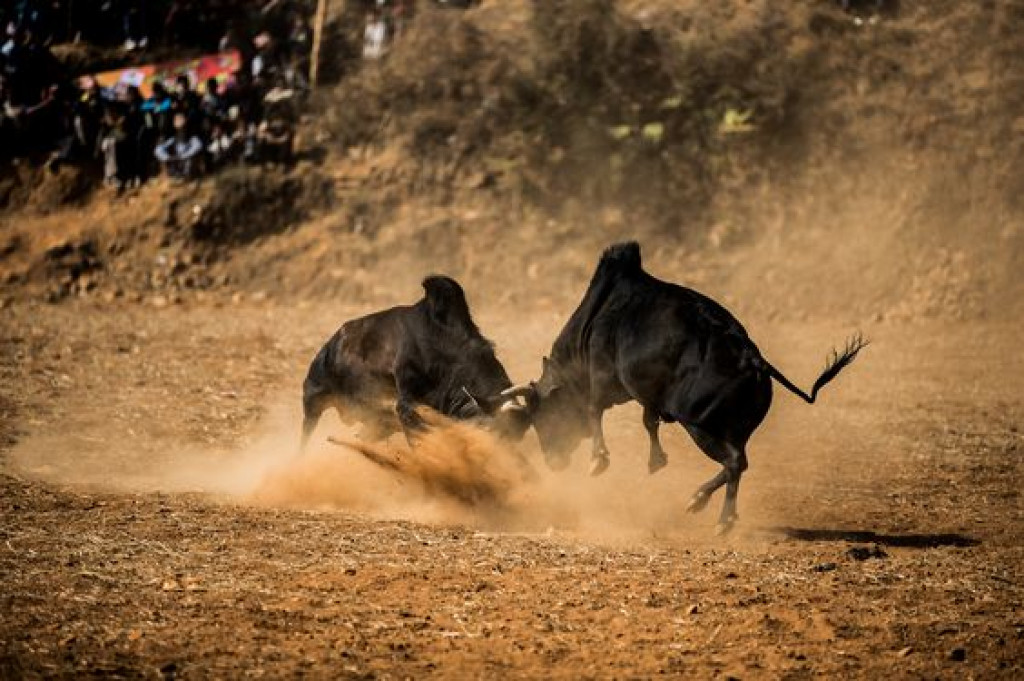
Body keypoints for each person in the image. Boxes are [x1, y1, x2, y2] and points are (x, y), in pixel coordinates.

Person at [154, 112, 202, 181]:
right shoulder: (173, 138)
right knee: (163, 151)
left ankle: (188, 175)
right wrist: (168, 157)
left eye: (180, 119)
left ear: (185, 120)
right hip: (176, 162)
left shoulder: (192, 134)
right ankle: (173, 175)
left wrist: (184, 155)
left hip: (187, 161)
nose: (178, 121)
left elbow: (198, 145)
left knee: (191, 156)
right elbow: (158, 149)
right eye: (176, 119)